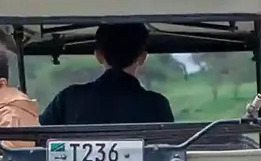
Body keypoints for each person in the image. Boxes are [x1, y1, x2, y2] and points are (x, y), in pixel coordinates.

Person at [38, 23, 175, 126]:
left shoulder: (67, 99)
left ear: (98, 55)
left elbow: (38, 140)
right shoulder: (157, 105)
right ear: (143, 57)